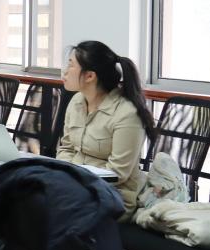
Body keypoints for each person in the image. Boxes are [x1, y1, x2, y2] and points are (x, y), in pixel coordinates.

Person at [57, 40, 156, 219]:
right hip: (75, 186)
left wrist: (74, 179)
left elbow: (117, 173)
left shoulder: (127, 114)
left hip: (114, 196)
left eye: (70, 65)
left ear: (89, 76)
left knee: (53, 209)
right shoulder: (76, 101)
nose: (64, 71)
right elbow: (66, 149)